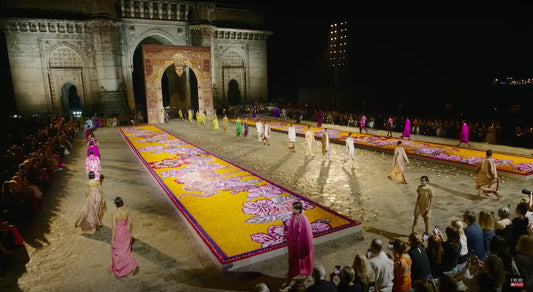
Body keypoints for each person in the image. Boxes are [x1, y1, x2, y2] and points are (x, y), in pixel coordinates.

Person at [284, 201, 314, 283]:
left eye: (294, 209)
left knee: (306, 260)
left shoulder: (304, 220)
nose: (292, 210)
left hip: (303, 244)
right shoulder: (294, 217)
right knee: (293, 259)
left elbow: (307, 234)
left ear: (298, 209)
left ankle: (308, 275)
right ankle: (292, 273)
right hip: (295, 244)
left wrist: (307, 246)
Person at [109, 197, 138, 278]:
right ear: (122, 203)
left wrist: (112, 240)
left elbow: (114, 227)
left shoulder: (114, 214)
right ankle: (132, 265)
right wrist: (130, 231)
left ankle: (120, 269)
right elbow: (130, 222)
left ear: (115, 204)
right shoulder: (127, 211)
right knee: (127, 251)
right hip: (125, 233)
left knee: (118, 252)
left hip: (118, 234)